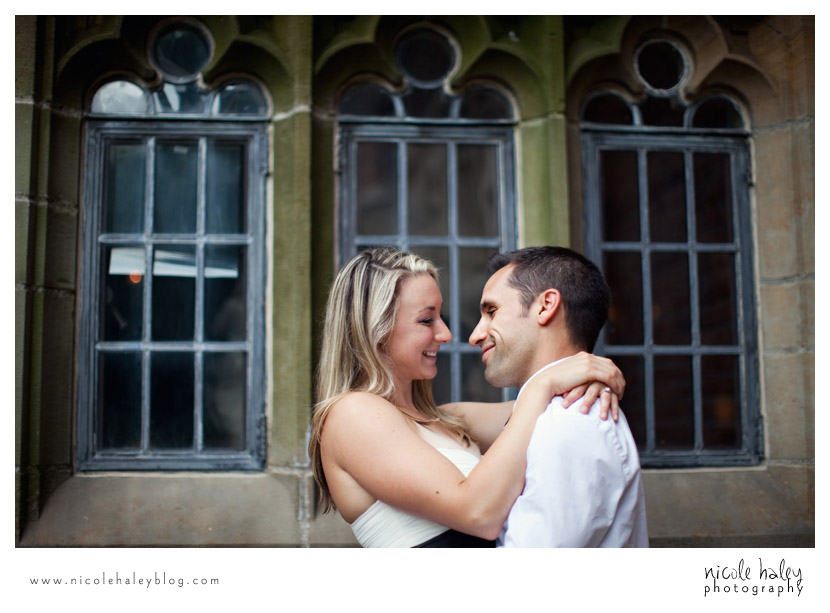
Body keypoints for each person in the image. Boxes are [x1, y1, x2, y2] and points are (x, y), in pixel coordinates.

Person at [309, 247, 625, 547]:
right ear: (376, 328)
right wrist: (546, 383)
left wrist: (593, 377)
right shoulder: (352, 413)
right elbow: (478, 514)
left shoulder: (448, 419)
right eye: (426, 319)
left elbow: (557, 411)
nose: (446, 334)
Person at [466, 246, 648, 547]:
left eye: (491, 311)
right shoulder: (545, 413)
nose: (475, 335)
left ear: (545, 305)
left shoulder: (571, 423)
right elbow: (439, 419)